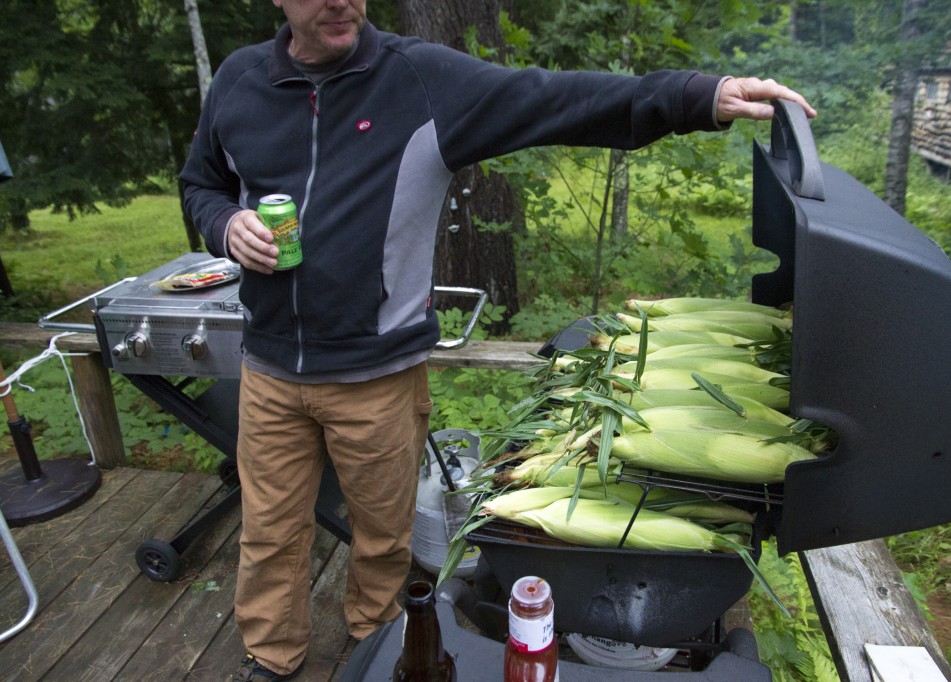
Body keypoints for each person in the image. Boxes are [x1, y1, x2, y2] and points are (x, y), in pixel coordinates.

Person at [180, 1, 816, 679]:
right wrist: (224, 225)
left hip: (376, 378)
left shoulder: (419, 80)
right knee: (269, 534)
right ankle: (271, 658)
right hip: (272, 370)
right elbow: (201, 183)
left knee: (382, 539)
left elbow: (555, 98)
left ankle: (374, 645)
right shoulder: (240, 81)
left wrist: (697, 96)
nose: (341, 0)